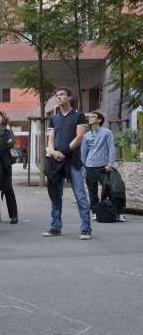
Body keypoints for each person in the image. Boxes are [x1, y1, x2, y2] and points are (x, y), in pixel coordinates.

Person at [43, 87, 92, 239]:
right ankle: (55, 227)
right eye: (57, 95)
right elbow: (51, 138)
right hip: (56, 161)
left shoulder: (78, 115)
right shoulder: (54, 118)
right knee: (55, 195)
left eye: (62, 95)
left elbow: (79, 137)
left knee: (80, 195)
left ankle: (86, 229)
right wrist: (53, 152)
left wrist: (63, 152)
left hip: (73, 161)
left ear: (69, 97)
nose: (59, 97)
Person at [81, 111, 126, 222]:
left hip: (104, 168)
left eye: (93, 116)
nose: (90, 118)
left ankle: (119, 213)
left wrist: (110, 164)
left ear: (99, 120)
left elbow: (111, 148)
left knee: (112, 191)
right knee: (92, 192)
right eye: (90, 117)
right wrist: (84, 168)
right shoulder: (86, 136)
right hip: (90, 166)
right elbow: (83, 153)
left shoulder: (107, 132)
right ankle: (96, 212)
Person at [0, 111, 18, 224]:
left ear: (3, 118)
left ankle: (13, 215)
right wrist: (3, 143)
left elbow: (10, 144)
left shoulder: (8, 132)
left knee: (8, 189)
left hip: (5, 164)